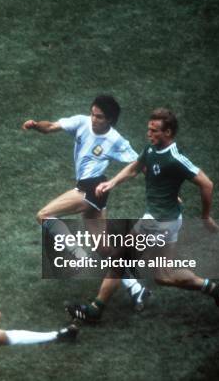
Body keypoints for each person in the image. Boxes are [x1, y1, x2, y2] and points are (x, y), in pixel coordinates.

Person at [66, 108, 219, 323]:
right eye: (149, 129)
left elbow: (207, 184)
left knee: (118, 260)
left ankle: (94, 310)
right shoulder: (152, 148)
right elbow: (135, 167)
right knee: (164, 276)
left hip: (158, 220)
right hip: (167, 220)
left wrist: (205, 217)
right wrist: (111, 183)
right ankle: (217, 290)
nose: (149, 134)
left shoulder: (175, 158)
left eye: (154, 131)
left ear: (168, 132)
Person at [22, 95, 150, 310]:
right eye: (92, 113)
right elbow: (51, 126)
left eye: (99, 117)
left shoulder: (116, 141)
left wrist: (167, 190)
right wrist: (36, 125)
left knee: (44, 215)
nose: (93, 119)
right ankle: (137, 289)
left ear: (109, 119)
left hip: (91, 188)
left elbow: (140, 165)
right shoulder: (81, 122)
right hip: (93, 192)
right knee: (104, 249)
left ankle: (77, 254)